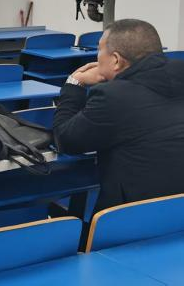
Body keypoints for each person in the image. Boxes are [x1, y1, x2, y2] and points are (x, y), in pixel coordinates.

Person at [54, 19, 184, 211]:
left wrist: (74, 83)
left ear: (115, 60)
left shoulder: (113, 97)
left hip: (136, 216)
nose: (97, 57)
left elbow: (66, 139)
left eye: (99, 50)